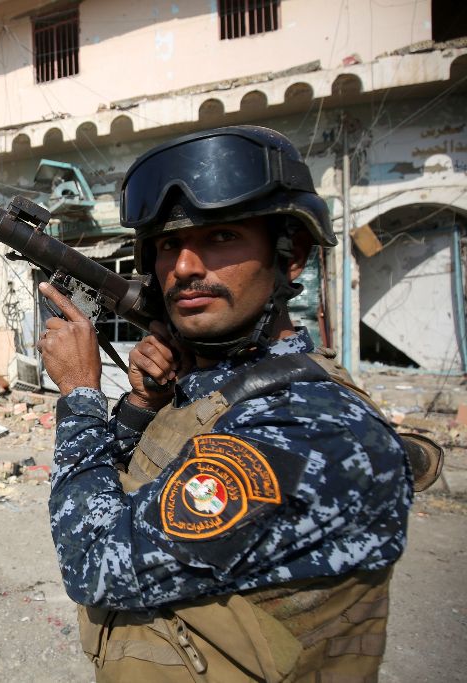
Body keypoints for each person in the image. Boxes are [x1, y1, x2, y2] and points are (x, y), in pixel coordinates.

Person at [37, 126, 415, 682]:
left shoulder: (303, 428)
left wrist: (81, 395)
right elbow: (112, 490)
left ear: (292, 257)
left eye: (222, 237)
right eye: (168, 245)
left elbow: (95, 562)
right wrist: (143, 403)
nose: (186, 266)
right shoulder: (219, 385)